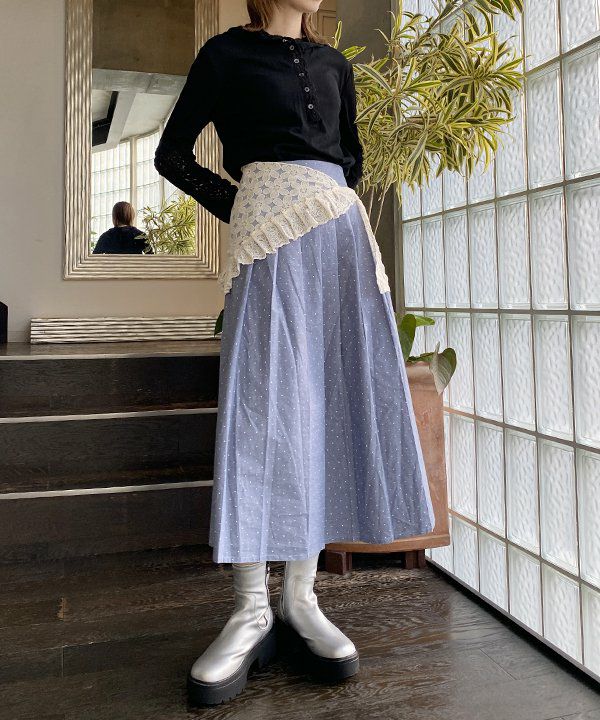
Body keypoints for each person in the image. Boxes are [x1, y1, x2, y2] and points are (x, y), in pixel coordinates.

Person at [154, 0, 435, 707]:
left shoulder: (334, 64)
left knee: (325, 404)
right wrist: (246, 203)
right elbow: (171, 154)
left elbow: (350, 159)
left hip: (340, 243)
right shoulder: (225, 55)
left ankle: (302, 597)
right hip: (269, 242)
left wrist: (315, 201)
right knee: (261, 409)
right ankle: (251, 606)